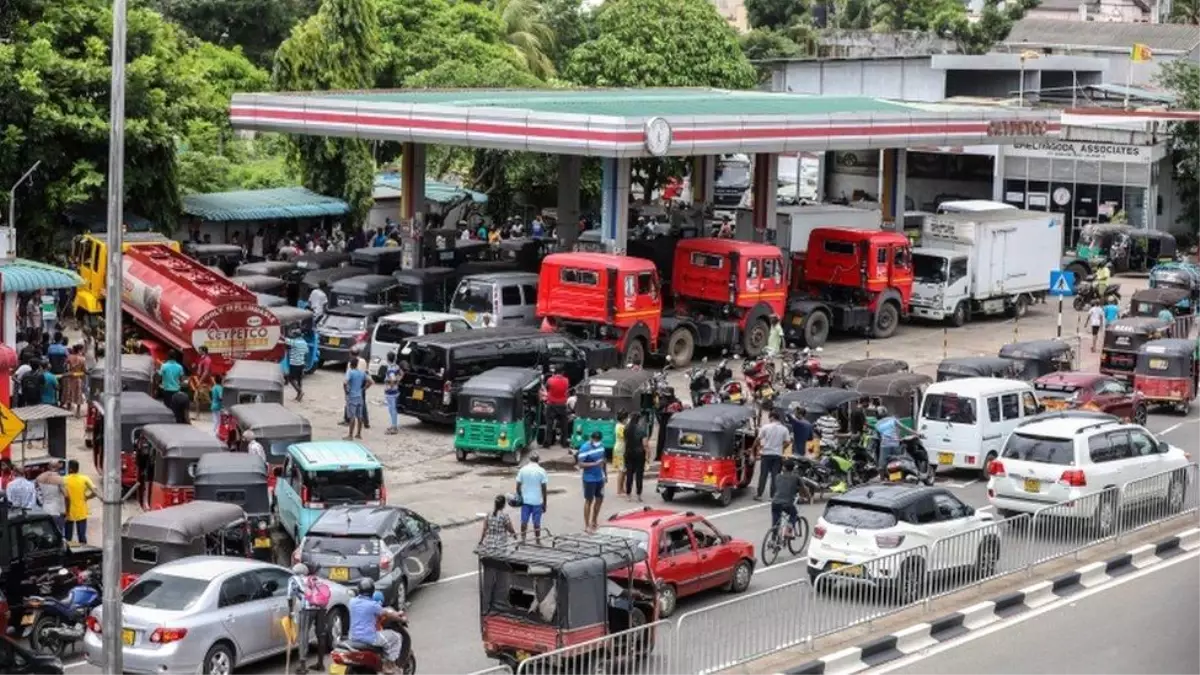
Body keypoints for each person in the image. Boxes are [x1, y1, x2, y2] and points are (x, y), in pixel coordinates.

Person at [348, 579, 406, 674]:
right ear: (372, 591)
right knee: (397, 637)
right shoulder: (373, 605)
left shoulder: (352, 602)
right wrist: (401, 618)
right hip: (369, 638)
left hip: (353, 637)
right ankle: (389, 665)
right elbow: (388, 614)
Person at [287, 563, 329, 673]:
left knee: (303, 635)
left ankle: (303, 667)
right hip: (321, 608)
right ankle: (320, 664)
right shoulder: (315, 579)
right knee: (321, 635)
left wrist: (291, 611)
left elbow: (289, 597)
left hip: (307, 609)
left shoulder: (293, 579)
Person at [753, 410, 791, 501]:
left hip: (766, 454)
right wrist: (782, 448)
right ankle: (773, 496)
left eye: (770, 417)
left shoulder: (765, 427)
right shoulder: (784, 429)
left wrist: (754, 449)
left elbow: (758, 439)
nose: (769, 419)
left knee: (763, 475)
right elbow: (788, 442)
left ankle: (759, 495)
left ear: (772, 417)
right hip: (777, 455)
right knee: (775, 476)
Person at [515, 452, 549, 542]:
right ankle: (537, 540)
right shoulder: (542, 471)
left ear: (529, 459)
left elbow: (518, 486)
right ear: (538, 460)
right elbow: (544, 489)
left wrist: (520, 497)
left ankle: (523, 539)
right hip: (537, 501)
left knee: (524, 521)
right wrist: (545, 503)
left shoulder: (523, 470)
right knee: (537, 523)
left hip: (525, 501)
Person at [577, 431, 607, 533]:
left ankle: (594, 520)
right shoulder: (585, 448)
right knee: (589, 501)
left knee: (599, 500)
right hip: (589, 478)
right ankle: (586, 525)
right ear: (591, 438)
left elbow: (603, 461)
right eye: (595, 440)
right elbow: (580, 464)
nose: (596, 442)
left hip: (600, 478)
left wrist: (605, 474)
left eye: (598, 440)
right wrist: (594, 463)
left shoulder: (601, 446)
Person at [874, 406, 916, 474]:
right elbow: (904, 428)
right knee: (899, 461)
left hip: (885, 445)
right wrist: (916, 433)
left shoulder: (877, 425)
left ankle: (882, 479)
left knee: (881, 466)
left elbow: (879, 438)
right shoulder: (893, 419)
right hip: (895, 444)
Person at [63, 460, 96, 544]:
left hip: (68, 511)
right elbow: (95, 491)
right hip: (81, 511)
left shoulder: (64, 480)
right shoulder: (84, 479)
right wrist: (87, 497)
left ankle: (69, 552)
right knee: (81, 535)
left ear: (69, 469)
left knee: (68, 537)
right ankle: (84, 552)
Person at [770, 459, 803, 531]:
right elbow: (804, 488)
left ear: (783, 468)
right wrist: (809, 497)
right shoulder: (796, 477)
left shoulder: (777, 476)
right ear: (793, 468)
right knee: (794, 514)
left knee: (775, 523)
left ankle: (773, 538)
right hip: (787, 504)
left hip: (775, 502)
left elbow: (778, 488)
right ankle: (788, 530)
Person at [341, 348, 371, 428]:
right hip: (362, 383)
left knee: (349, 403)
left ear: (351, 354)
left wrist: (346, 389)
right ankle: (366, 422)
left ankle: (347, 419)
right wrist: (365, 387)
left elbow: (347, 377)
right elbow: (366, 372)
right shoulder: (363, 361)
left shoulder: (351, 363)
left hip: (353, 385)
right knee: (362, 403)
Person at [36, 460, 66, 534]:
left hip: (45, 510)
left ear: (48, 467)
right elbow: (66, 495)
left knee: (46, 535)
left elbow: (37, 493)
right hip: (56, 511)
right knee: (58, 535)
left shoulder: (40, 478)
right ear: (58, 467)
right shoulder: (59, 479)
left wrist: (41, 502)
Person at [623, 413, 648, 502]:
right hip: (639, 454)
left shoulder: (626, 429)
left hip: (628, 453)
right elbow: (645, 444)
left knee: (629, 474)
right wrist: (648, 455)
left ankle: (628, 495)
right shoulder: (641, 430)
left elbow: (625, 441)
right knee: (639, 475)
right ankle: (638, 495)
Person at [542, 366, 570, 446]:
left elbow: (547, 388)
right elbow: (566, 390)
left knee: (549, 424)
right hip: (562, 404)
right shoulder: (566, 380)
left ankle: (548, 442)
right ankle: (564, 442)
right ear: (562, 372)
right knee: (564, 425)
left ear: (555, 372)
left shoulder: (550, 380)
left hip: (551, 404)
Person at [345, 361, 371, 440]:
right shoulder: (361, 373)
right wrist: (364, 389)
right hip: (359, 396)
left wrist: (346, 391)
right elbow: (371, 381)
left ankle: (350, 435)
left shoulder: (350, 372)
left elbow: (345, 382)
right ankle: (358, 434)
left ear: (350, 365)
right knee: (359, 416)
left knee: (352, 416)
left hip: (352, 396)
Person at [284, 329, 310, 402]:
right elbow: (306, 352)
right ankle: (299, 396)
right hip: (301, 364)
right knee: (299, 380)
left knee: (290, 379)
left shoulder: (294, 342)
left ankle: (300, 392)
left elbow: (284, 340)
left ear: (295, 335)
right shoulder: (304, 343)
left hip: (294, 364)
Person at [383, 352, 401, 434]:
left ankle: (394, 427)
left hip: (390, 392)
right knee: (393, 409)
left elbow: (392, 379)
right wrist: (397, 382)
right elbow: (401, 374)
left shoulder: (390, 369)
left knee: (392, 409)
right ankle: (393, 425)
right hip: (395, 391)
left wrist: (390, 386)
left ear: (388, 359)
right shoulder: (396, 367)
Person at [613, 413, 628, 497]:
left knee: (624, 470)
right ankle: (619, 490)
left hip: (622, 448)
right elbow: (624, 437)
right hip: (620, 449)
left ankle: (622, 488)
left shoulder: (620, 426)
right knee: (621, 470)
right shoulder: (620, 427)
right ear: (623, 419)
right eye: (626, 418)